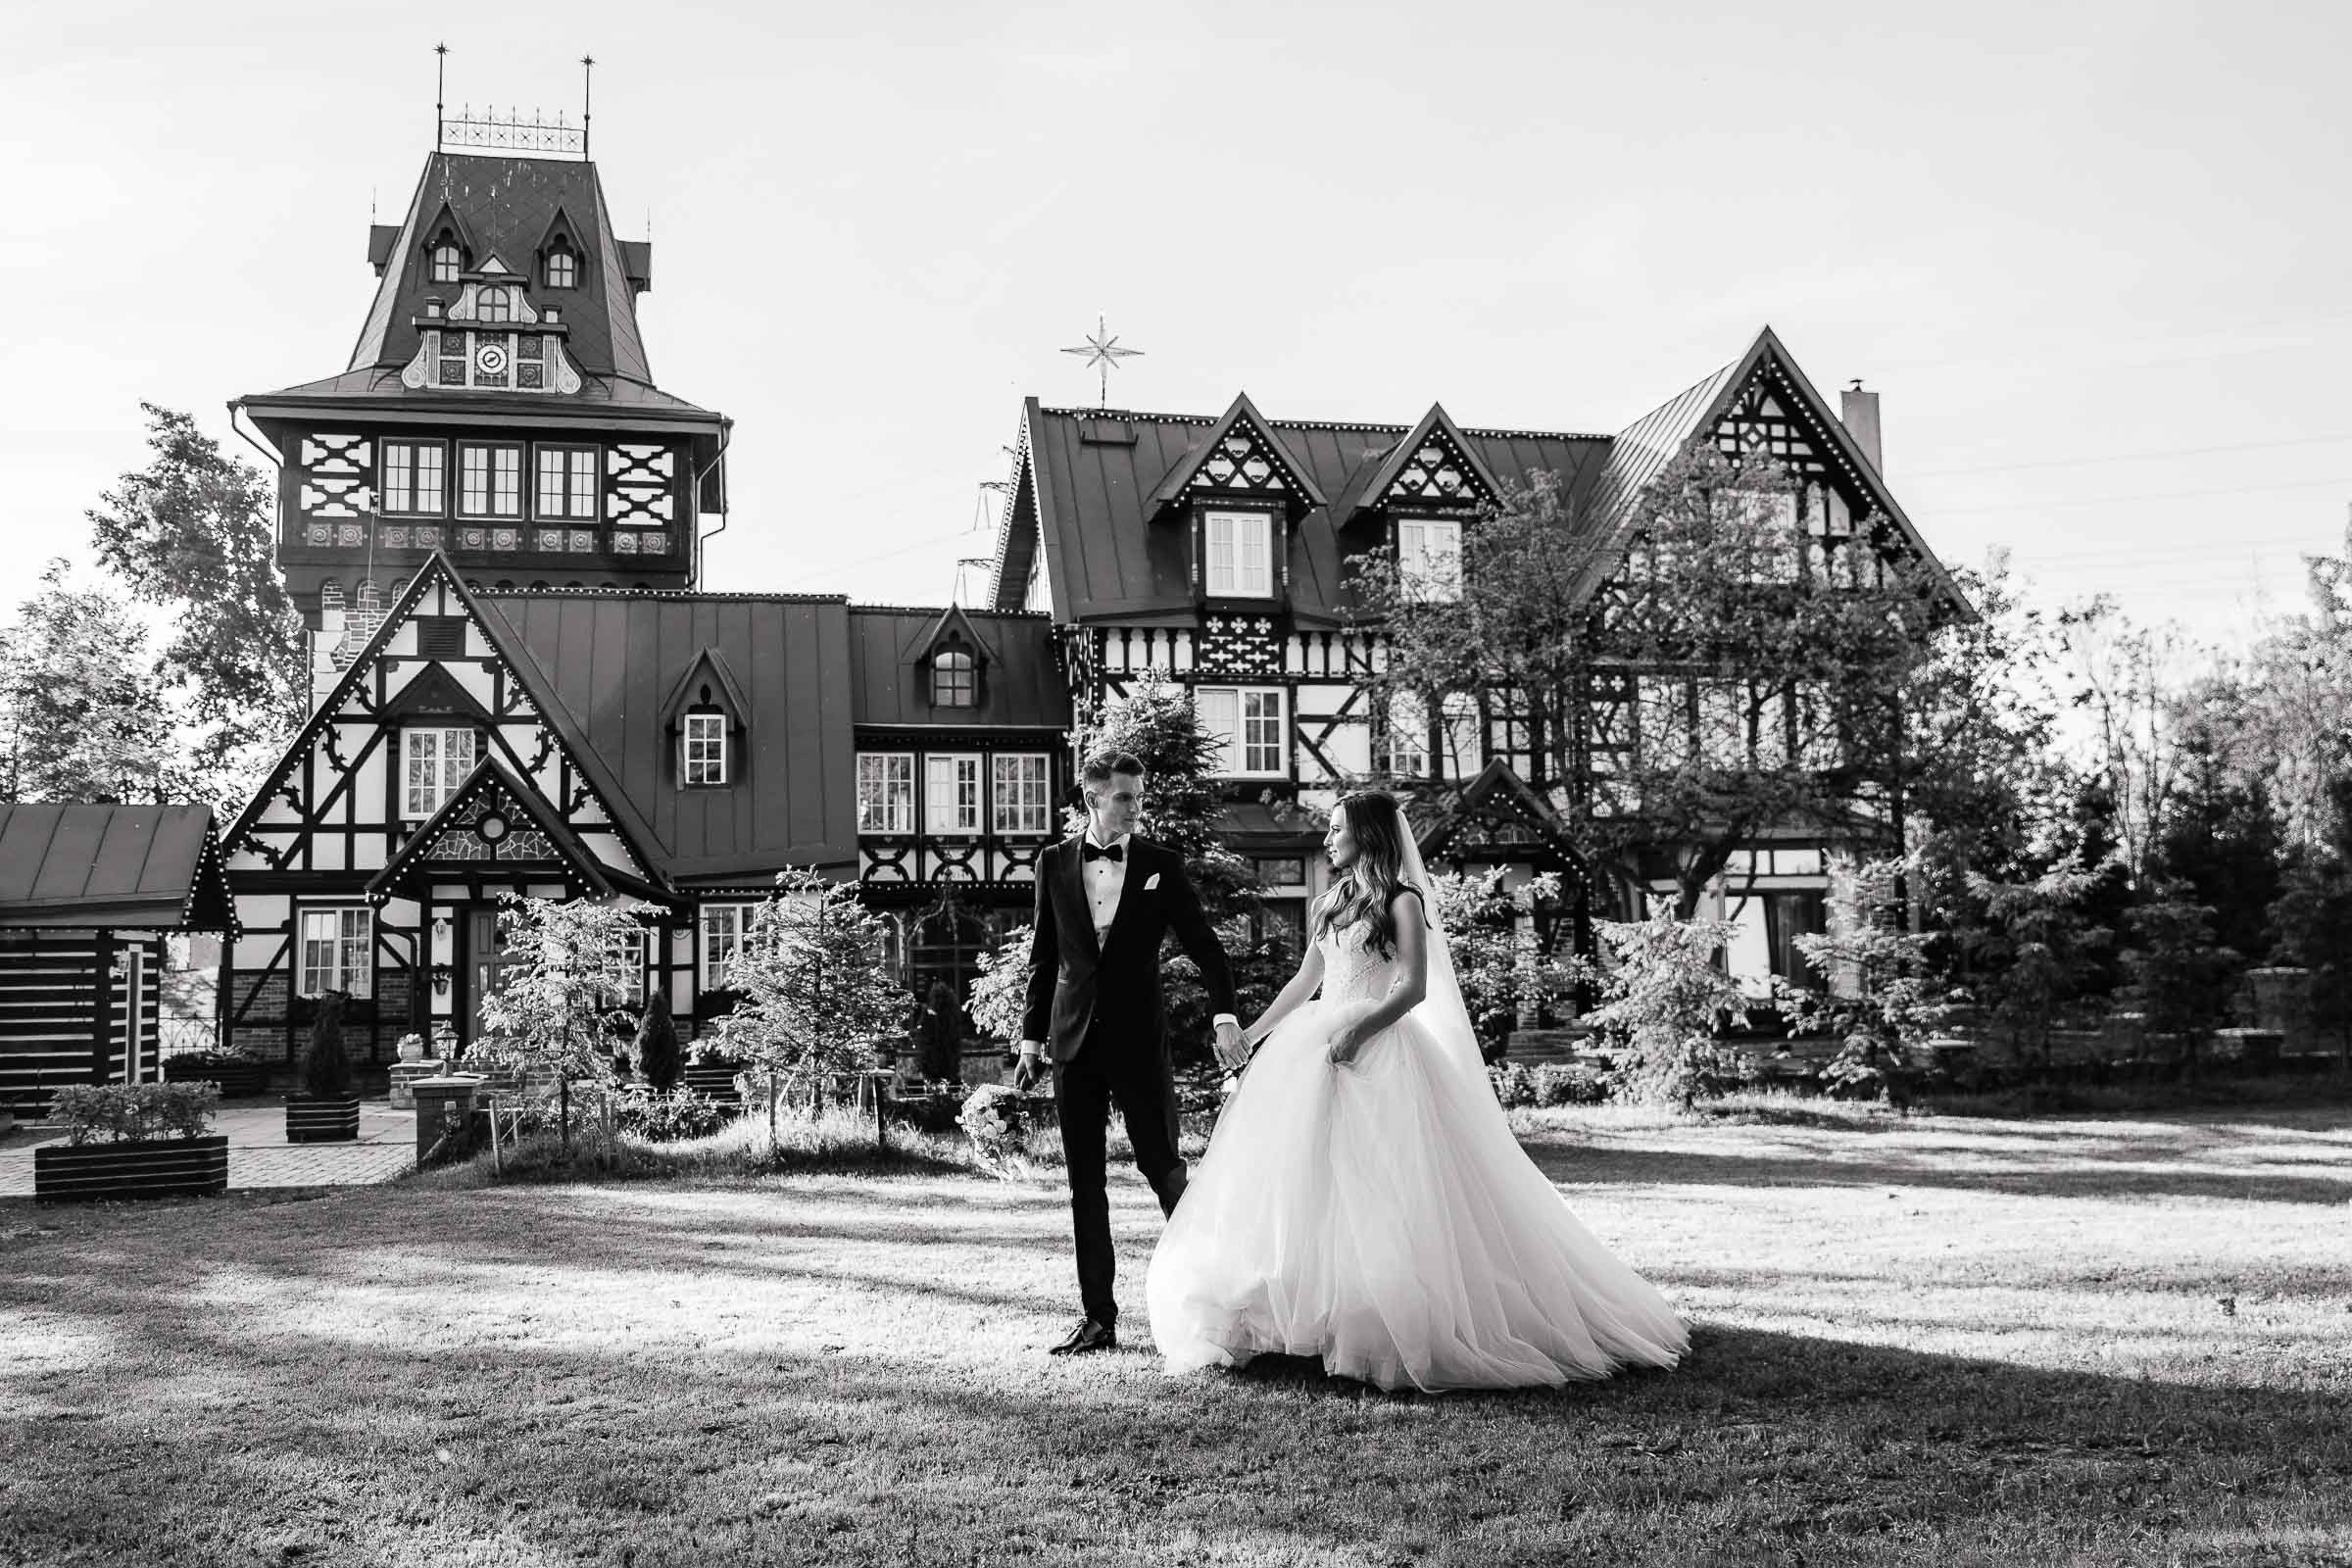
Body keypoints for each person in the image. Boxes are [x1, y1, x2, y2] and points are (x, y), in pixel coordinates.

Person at [1146, 789, 1689, 1392]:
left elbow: (1413, 988)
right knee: (1303, 1179)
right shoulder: (1328, 903)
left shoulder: (1402, 902)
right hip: (1312, 1047)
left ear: (1368, 835)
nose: (1327, 839)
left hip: (1379, 1049)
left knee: (1381, 1181)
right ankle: (1301, 1308)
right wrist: (1253, 1031)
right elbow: (1307, 979)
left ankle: (1384, 1310)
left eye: (1336, 829)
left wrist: (1359, 1029)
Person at [1016, 751, 1246, 1355]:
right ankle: (1098, 1319)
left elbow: (1205, 945)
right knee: (1083, 1183)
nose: (1137, 807)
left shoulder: (1160, 866)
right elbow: (1044, 956)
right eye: (1125, 797)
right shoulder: (1052, 863)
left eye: (1140, 797)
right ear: (1093, 799)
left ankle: (1221, 1304)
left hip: (1141, 1043)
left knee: (1164, 1169)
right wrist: (1031, 1038)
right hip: (1072, 1044)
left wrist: (1225, 1014)